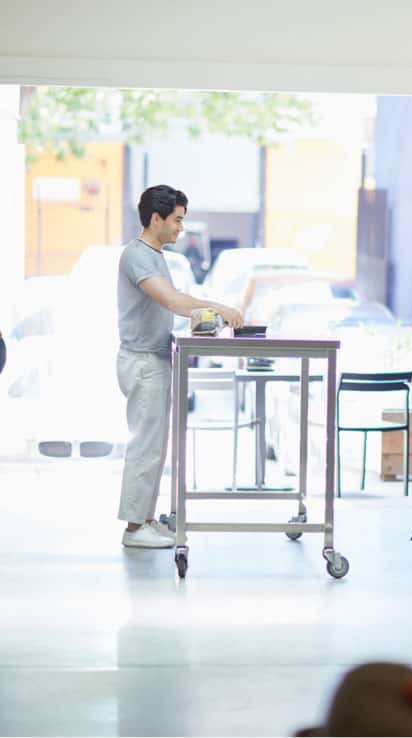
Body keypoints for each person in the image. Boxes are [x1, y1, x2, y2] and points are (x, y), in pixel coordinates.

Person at [116, 185, 243, 548]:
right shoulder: (137, 256)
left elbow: (166, 306)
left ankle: (145, 519)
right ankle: (134, 529)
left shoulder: (154, 255)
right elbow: (172, 300)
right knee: (146, 446)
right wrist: (220, 308)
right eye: (177, 220)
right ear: (155, 218)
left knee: (154, 446)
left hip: (153, 358)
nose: (180, 228)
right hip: (142, 362)